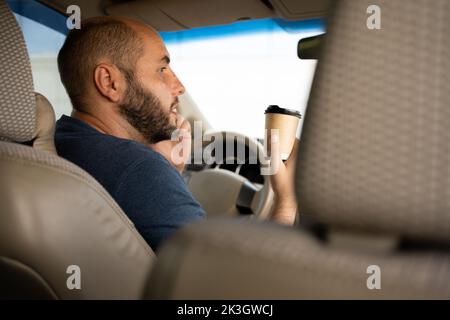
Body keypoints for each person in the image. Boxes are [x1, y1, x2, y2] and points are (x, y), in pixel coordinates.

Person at [55, 16, 298, 251]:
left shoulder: (58, 141)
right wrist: (285, 204)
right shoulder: (140, 170)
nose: (180, 87)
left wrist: (171, 171)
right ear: (110, 82)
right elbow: (228, 284)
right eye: (162, 69)